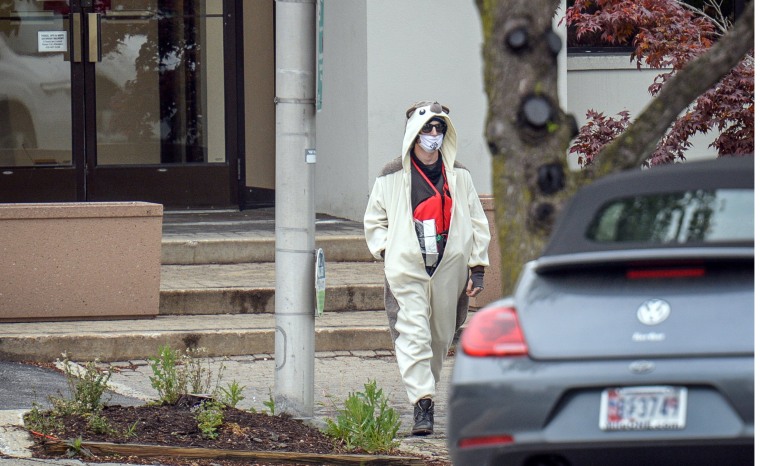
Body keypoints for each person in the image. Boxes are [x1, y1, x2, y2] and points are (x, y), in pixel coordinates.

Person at [364, 101, 490, 436]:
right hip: (408, 268)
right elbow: (375, 219)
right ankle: (423, 402)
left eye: (439, 129)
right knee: (413, 332)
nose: (433, 135)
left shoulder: (458, 175)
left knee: (438, 336)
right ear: (414, 133)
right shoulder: (392, 175)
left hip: (448, 267)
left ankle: (426, 387)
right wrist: (389, 249)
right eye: (427, 128)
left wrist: (477, 267)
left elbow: (476, 221)